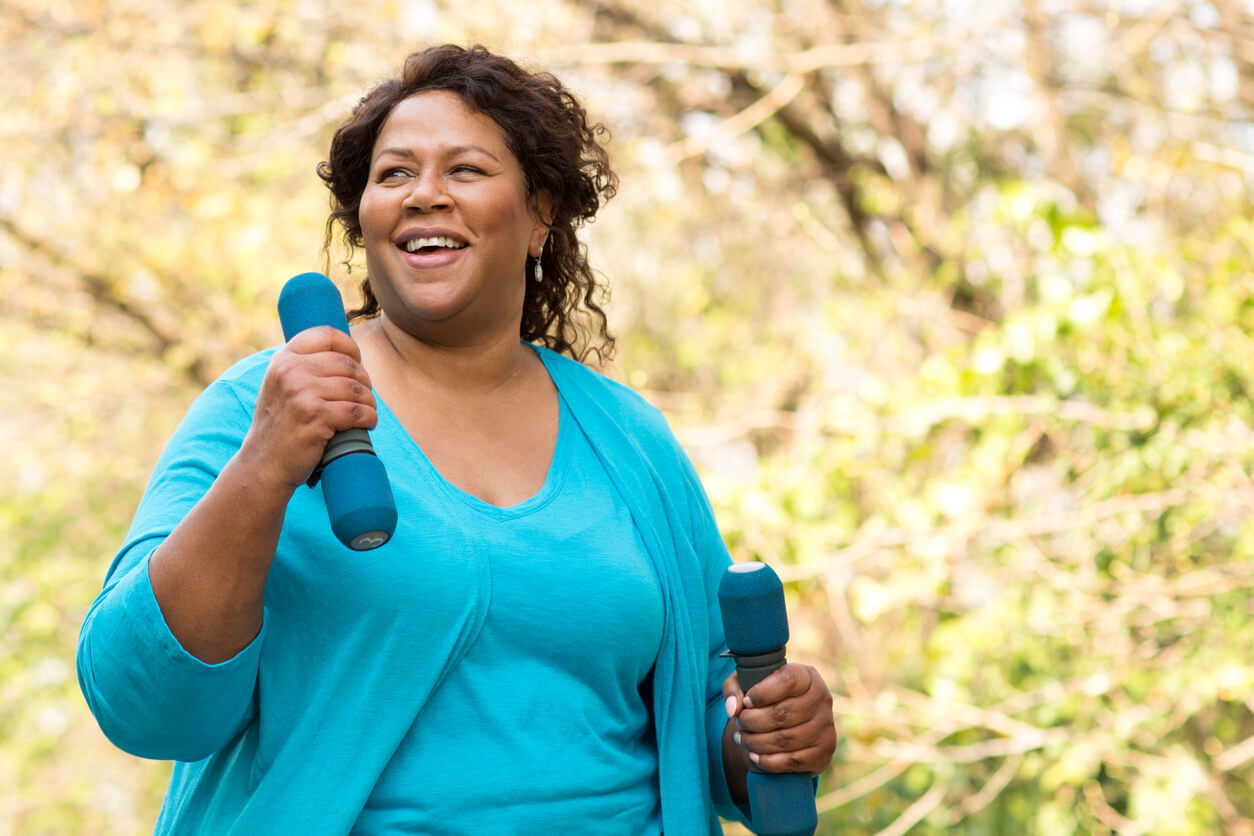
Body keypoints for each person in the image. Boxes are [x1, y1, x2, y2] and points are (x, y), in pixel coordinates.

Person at [77, 43, 837, 835]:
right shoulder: (258, 408)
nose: (424, 195)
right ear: (362, 220)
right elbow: (140, 701)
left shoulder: (629, 438)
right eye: (394, 174)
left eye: (465, 171)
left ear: (541, 214)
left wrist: (771, 738)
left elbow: (707, 707)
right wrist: (264, 468)